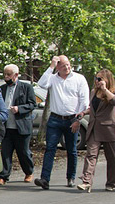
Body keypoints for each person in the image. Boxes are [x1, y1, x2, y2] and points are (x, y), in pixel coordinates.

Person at [35, 55, 89, 190]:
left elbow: (84, 100)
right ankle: (45, 179)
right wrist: (51, 66)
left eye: (68, 64)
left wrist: (79, 119)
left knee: (71, 149)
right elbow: (41, 84)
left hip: (72, 118)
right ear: (58, 67)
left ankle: (71, 177)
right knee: (50, 148)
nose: (67, 67)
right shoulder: (52, 79)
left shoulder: (79, 79)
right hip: (55, 119)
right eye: (63, 65)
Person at [77, 69, 115, 192]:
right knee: (91, 155)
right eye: (96, 79)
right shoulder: (93, 92)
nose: (97, 81)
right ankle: (87, 182)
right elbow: (93, 109)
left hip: (108, 129)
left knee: (111, 158)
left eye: (100, 79)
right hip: (94, 128)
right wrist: (84, 112)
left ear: (107, 80)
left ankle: (112, 182)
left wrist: (105, 90)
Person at [0, 64, 35, 185]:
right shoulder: (2, 89)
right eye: (5, 74)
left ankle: (29, 172)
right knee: (5, 152)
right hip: (6, 127)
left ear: (16, 75)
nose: (6, 77)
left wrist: (19, 108)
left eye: (9, 75)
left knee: (23, 152)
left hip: (21, 126)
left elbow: (32, 104)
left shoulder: (26, 87)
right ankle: (3, 176)